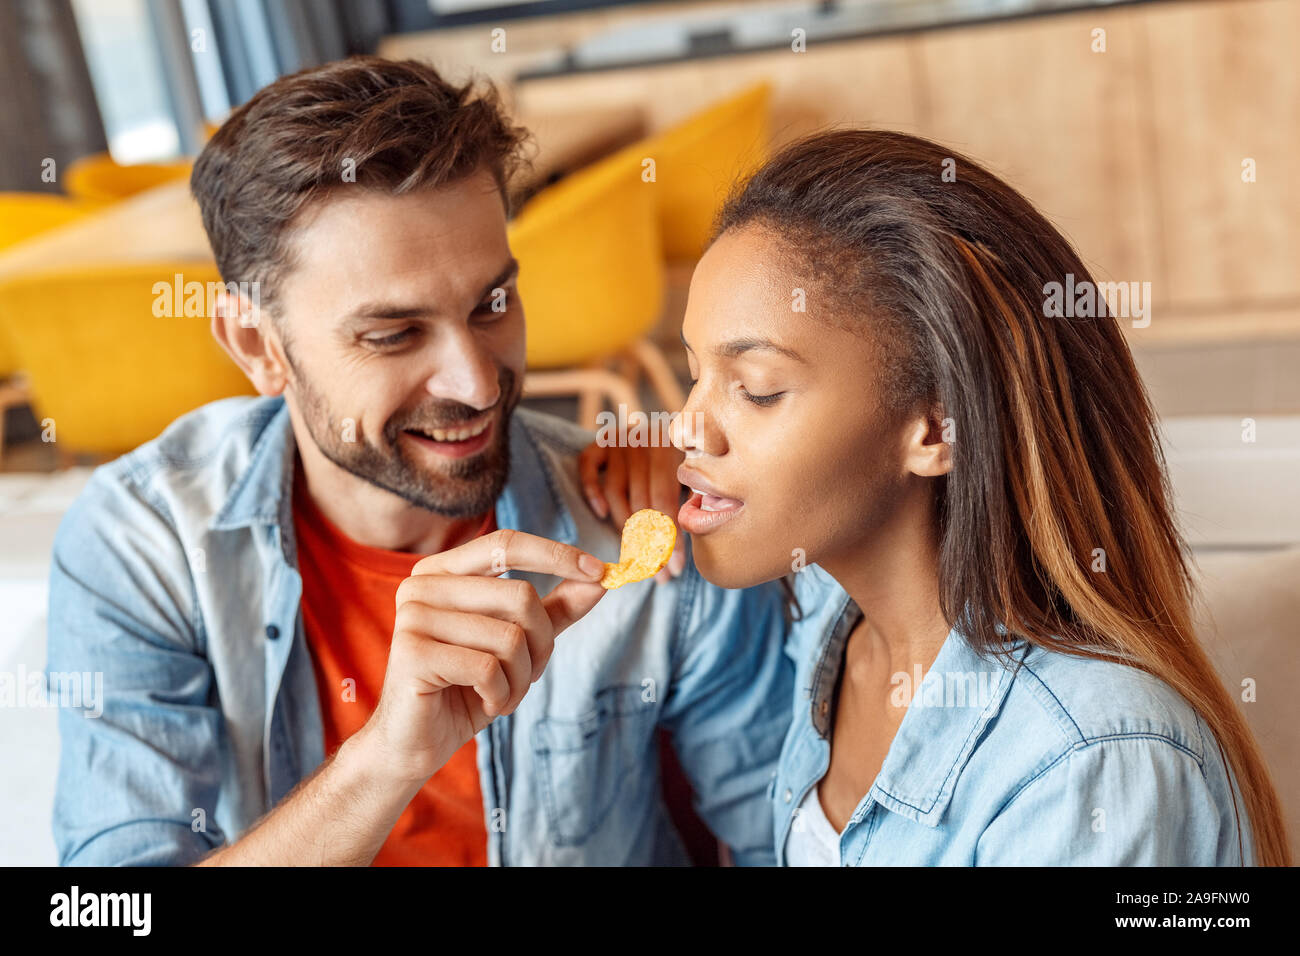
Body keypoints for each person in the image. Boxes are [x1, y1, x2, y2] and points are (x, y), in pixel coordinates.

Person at [46, 56, 793, 867]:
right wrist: (386, 760)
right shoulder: (145, 543)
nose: (477, 385)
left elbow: (783, 842)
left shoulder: (639, 531)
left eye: (492, 304)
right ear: (260, 346)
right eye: (393, 334)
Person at [627, 127, 1290, 865]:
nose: (684, 425)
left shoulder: (1090, 765)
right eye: (692, 373)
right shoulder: (830, 620)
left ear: (938, 426)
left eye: (756, 390)